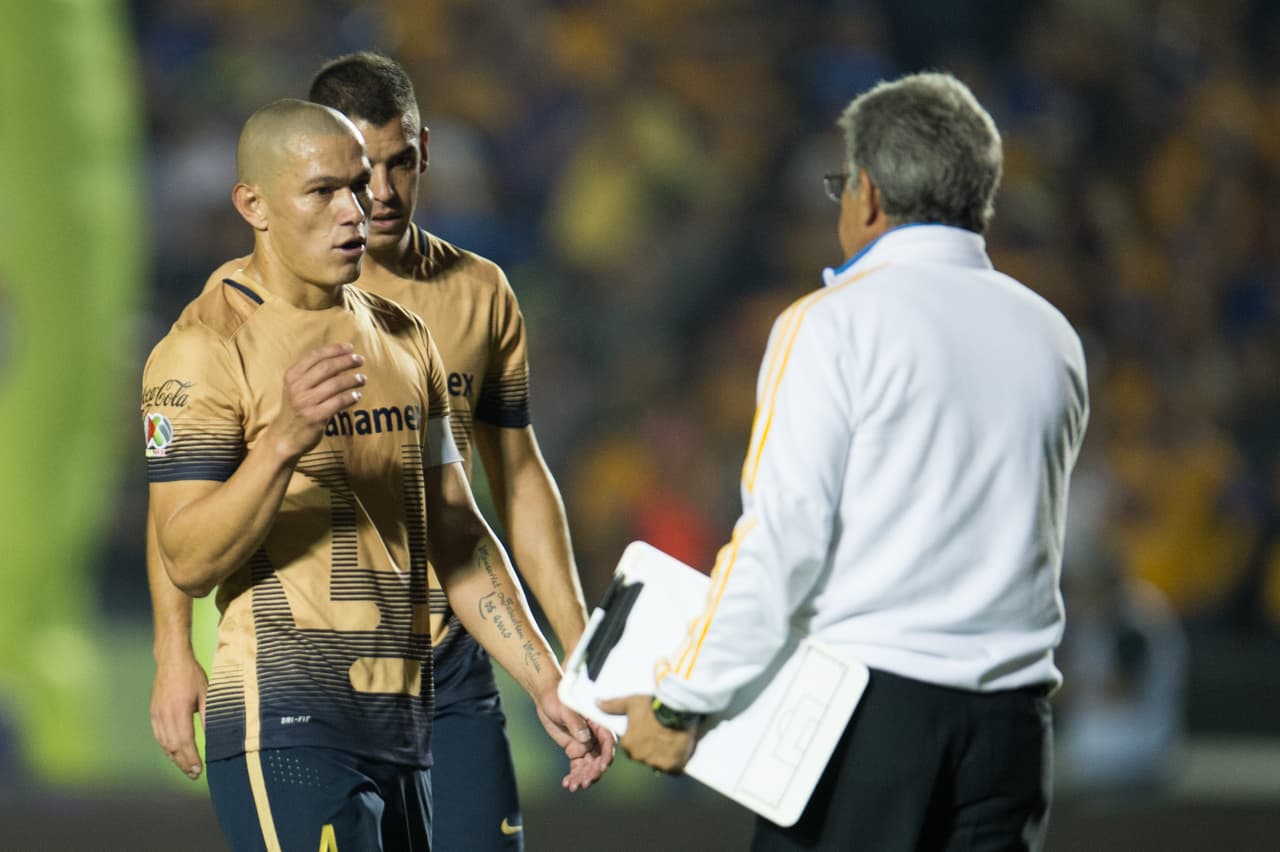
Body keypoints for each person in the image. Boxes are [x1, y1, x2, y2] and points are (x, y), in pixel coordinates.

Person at [601, 71, 1090, 852]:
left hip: (864, 724)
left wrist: (677, 704)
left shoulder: (830, 326)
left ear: (866, 192)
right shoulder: (1054, 338)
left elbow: (781, 543)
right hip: (1015, 730)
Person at [147, 53, 609, 850]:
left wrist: (548, 673)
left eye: (364, 183)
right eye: (325, 192)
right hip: (286, 712)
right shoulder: (205, 348)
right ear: (253, 205)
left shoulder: (409, 335)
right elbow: (184, 551)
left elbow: (462, 528)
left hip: (412, 707)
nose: (363, 208)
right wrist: (282, 443)